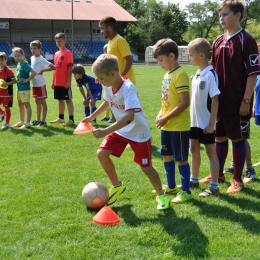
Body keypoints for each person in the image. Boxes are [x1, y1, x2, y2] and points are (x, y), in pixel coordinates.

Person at [81, 54, 169, 210]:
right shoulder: (108, 86)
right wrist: (92, 116)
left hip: (139, 133)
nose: (99, 82)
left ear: (113, 74)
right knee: (102, 153)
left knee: (146, 168)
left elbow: (129, 117)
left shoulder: (128, 88)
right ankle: (117, 186)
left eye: (101, 78)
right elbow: (108, 102)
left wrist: (106, 130)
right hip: (122, 130)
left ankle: (161, 196)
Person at [201, 0, 260, 193]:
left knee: (237, 138)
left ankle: (237, 180)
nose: (222, 18)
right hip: (219, 101)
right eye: (220, 15)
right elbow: (212, 70)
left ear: (238, 15)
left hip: (238, 101)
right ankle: (217, 174)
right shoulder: (218, 40)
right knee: (219, 137)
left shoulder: (247, 40)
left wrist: (246, 100)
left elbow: (253, 74)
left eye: (225, 14)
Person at [153, 38, 191, 203]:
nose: (160, 64)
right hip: (166, 126)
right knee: (166, 156)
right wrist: (160, 113)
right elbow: (166, 100)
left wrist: (166, 117)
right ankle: (171, 186)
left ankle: (186, 191)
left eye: (161, 60)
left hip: (179, 126)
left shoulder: (180, 74)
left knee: (181, 158)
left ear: (171, 56)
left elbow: (184, 102)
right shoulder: (166, 75)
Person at [188, 38, 221, 197]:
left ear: (201, 55)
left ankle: (214, 186)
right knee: (194, 149)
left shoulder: (210, 74)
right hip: (194, 122)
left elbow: (215, 99)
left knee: (210, 152)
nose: (189, 57)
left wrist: (211, 123)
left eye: (191, 54)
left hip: (206, 123)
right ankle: (194, 180)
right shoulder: (196, 74)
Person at [99, 16, 136, 123]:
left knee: (127, 118)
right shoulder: (110, 42)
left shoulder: (119, 40)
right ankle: (116, 136)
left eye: (102, 29)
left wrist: (121, 77)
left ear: (109, 28)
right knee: (116, 113)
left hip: (125, 84)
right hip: (115, 83)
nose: (101, 31)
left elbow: (129, 59)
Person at [30, 40, 56, 127]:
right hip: (34, 83)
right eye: (31, 48)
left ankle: (43, 121)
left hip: (40, 83)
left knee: (42, 101)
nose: (33, 50)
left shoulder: (41, 59)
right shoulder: (32, 58)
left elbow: (53, 67)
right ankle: (38, 119)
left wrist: (43, 70)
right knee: (37, 101)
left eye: (35, 48)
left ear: (39, 49)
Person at [50, 32, 74, 126]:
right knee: (60, 100)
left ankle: (71, 119)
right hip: (57, 82)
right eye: (57, 41)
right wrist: (53, 81)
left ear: (65, 41)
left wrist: (68, 81)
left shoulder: (68, 53)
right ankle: (61, 118)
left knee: (68, 100)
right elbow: (55, 68)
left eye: (60, 41)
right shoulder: (56, 54)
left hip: (65, 82)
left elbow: (70, 68)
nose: (58, 43)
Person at [11, 47, 37, 129]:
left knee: (26, 105)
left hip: (24, 88)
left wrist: (27, 80)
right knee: (20, 104)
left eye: (18, 55)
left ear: (23, 55)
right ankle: (21, 121)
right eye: (15, 56)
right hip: (19, 88)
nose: (17, 58)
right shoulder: (19, 64)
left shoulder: (24, 64)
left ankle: (28, 123)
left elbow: (34, 73)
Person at [0, 51, 16, 129]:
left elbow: (15, 81)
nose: (1, 61)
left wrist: (6, 84)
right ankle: (2, 113)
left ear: (6, 60)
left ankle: (7, 123)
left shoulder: (8, 70)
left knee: (7, 107)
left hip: (7, 93)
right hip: (0, 92)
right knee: (4, 109)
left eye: (2, 60)